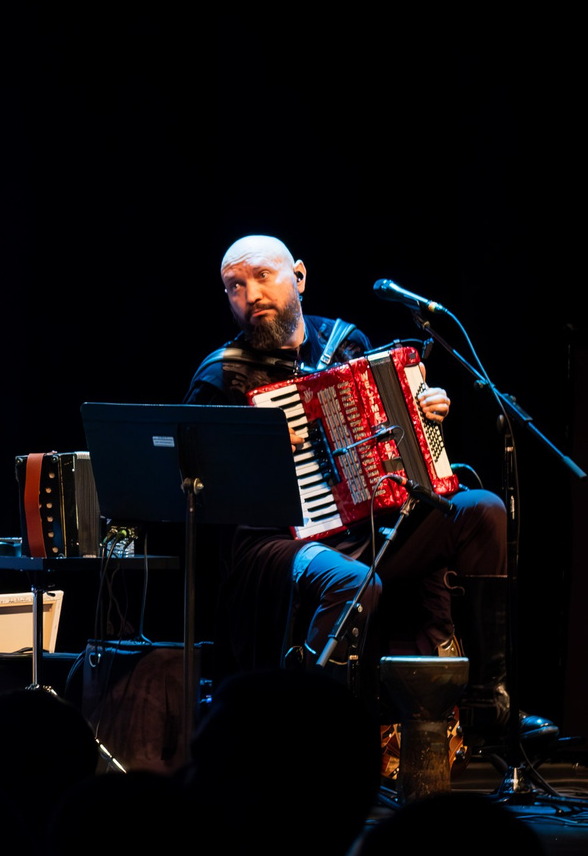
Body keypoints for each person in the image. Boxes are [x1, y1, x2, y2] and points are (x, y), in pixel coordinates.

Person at [185, 234, 531, 742]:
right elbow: (199, 488)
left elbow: (386, 443)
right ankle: (325, 738)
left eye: (262, 276)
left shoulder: (345, 344)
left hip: (365, 523)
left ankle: (489, 706)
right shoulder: (220, 377)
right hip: (270, 542)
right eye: (235, 286)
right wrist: (260, 449)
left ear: (298, 277)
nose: (251, 294)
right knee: (351, 581)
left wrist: (422, 410)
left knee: (482, 510)